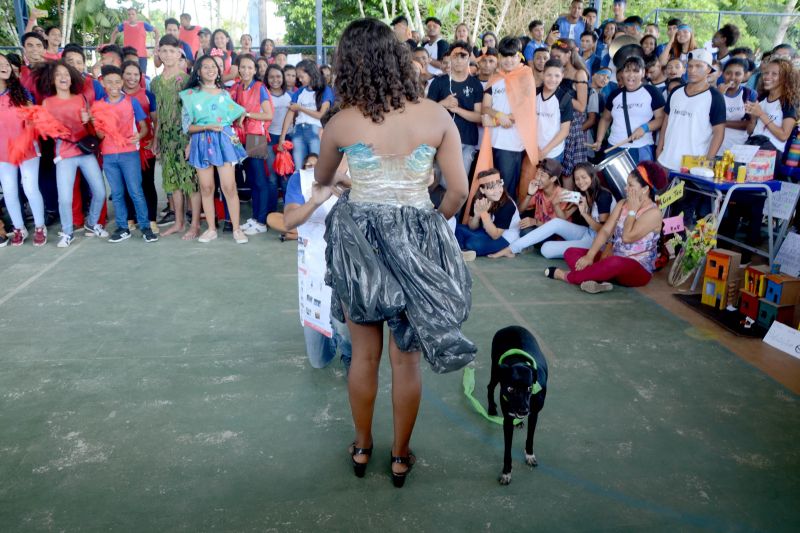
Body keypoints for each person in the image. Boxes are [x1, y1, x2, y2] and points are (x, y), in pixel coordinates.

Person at [314, 18, 474, 487]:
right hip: (417, 238)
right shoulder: (436, 116)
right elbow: (458, 192)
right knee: (407, 360)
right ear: (400, 61)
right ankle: (401, 456)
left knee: (364, 357)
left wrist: (353, 183)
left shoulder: (342, 121)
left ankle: (363, 447)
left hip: (358, 244)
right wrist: (429, 222)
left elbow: (323, 178)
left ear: (349, 65)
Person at [545, 161, 666, 293]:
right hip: (613, 259)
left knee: (614, 262)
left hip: (637, 269)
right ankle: (598, 279)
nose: (626, 188)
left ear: (645, 189)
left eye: (630, 185)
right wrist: (590, 256)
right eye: (627, 184)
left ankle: (567, 276)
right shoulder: (622, 203)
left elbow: (627, 237)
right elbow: (605, 231)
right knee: (571, 252)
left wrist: (633, 211)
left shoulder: (654, 213)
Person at [281, 153, 352, 370]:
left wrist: (348, 184)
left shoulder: (363, 176)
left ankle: (350, 351)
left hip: (349, 275)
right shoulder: (301, 178)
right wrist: (315, 201)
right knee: (318, 361)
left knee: (349, 344)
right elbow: (288, 221)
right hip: (314, 276)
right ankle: (337, 336)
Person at [36, 60, 108, 247]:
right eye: (58, 74)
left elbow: (92, 128)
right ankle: (67, 232)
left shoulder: (80, 98)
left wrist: (88, 119)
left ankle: (92, 223)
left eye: (66, 74)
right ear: (52, 79)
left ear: (71, 78)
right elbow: (44, 132)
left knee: (100, 191)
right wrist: (51, 129)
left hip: (85, 151)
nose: (63, 77)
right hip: (64, 154)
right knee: (65, 198)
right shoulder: (47, 103)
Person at [180, 54, 248, 244]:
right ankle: (211, 229)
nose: (211, 70)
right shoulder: (190, 96)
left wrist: (243, 114)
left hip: (224, 142)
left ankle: (237, 229)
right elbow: (187, 127)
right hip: (201, 142)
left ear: (218, 71)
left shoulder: (224, 94)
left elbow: (238, 111)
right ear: (198, 72)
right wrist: (206, 127)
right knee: (206, 187)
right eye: (206, 67)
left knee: (229, 186)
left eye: (214, 66)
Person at [491, 161, 614, 259]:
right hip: (587, 232)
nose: (580, 182)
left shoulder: (603, 196)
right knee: (554, 226)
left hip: (600, 241)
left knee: (546, 250)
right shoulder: (582, 194)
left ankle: (593, 253)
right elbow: (562, 219)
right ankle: (512, 249)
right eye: (577, 179)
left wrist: (585, 214)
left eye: (584, 177)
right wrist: (555, 204)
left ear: (592, 176)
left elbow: (604, 231)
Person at [92, 65, 157, 243]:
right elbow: (100, 135)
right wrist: (96, 124)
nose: (114, 85)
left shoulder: (131, 101)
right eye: (109, 82)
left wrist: (140, 135)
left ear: (122, 82)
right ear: (103, 83)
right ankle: (122, 227)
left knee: (136, 191)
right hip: (109, 155)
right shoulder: (98, 106)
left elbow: (144, 126)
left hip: (129, 154)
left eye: (117, 82)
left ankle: (145, 227)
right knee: (117, 193)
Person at [150, 35, 201, 239]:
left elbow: (194, 113)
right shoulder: (155, 83)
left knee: (191, 182)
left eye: (172, 51)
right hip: (166, 138)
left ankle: (194, 224)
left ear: (179, 53)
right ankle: (178, 222)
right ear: (159, 53)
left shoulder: (187, 81)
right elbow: (160, 113)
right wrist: (156, 139)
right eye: (164, 51)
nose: (168, 55)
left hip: (185, 137)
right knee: (173, 182)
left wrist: (191, 141)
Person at [478, 37, 538, 200]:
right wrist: (499, 115)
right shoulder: (495, 77)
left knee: (506, 189)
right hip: (492, 142)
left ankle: (507, 215)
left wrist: (495, 121)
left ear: (519, 56)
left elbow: (526, 111)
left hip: (511, 144)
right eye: (505, 56)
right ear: (499, 57)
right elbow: (485, 107)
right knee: (491, 187)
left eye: (512, 56)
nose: (509, 60)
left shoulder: (526, 76)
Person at [0, 54, 46, 246]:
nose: (4, 66)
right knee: (9, 191)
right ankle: (19, 228)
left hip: (27, 149)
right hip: (3, 152)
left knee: (30, 188)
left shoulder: (20, 91)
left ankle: (40, 227)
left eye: (5, 63)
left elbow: (34, 118)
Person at [657, 49, 725, 171]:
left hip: (693, 167)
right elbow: (666, 122)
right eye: (690, 66)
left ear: (709, 69)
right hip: (665, 160)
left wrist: (708, 162)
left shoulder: (715, 97)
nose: (692, 70)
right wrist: (659, 149)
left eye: (699, 66)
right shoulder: (676, 92)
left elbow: (719, 132)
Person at [230, 54, 274, 236]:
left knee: (259, 180)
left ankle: (262, 221)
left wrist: (247, 114)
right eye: (243, 67)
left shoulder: (259, 87)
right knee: (251, 180)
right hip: (242, 137)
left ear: (255, 70)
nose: (246, 70)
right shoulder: (238, 87)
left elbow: (268, 115)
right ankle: (255, 218)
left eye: (250, 67)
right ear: (238, 69)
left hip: (256, 136)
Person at [592, 56, 665, 164]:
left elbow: (661, 118)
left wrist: (645, 128)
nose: (631, 75)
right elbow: (605, 119)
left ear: (643, 73)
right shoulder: (615, 94)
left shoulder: (652, 92)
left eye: (636, 71)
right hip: (614, 146)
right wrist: (599, 140)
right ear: (622, 73)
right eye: (627, 71)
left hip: (641, 147)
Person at [427, 40, 484, 174]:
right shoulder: (438, 82)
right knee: (439, 183)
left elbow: (479, 117)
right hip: (441, 141)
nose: (458, 60)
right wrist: (443, 104)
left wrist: (456, 109)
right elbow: (427, 113)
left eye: (463, 56)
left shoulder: (475, 84)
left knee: (460, 184)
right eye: (455, 56)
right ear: (450, 58)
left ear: (469, 58)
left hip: (467, 141)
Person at [121, 60, 159, 233]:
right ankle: (131, 217)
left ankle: (151, 219)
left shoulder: (148, 95)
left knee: (147, 183)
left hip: (145, 147)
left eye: (136, 74)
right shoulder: (115, 95)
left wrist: (155, 141)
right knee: (127, 183)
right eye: (128, 74)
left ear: (141, 76)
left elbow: (156, 121)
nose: (132, 78)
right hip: (125, 148)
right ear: (122, 75)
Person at [277, 60, 334, 171]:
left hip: (315, 131)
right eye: (298, 77)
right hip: (298, 131)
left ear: (311, 73)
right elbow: (290, 114)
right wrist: (282, 138)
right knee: (299, 168)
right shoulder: (299, 92)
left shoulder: (325, 90)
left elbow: (320, 115)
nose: (299, 79)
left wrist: (300, 108)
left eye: (301, 76)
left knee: (317, 168)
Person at [456, 168, 521, 256]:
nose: (497, 191)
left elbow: (495, 235)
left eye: (499, 185)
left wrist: (483, 213)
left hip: (505, 237)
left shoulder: (508, 205)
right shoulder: (478, 199)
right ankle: (462, 251)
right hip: (485, 231)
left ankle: (462, 248)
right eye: (491, 187)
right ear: (482, 190)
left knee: (472, 244)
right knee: (458, 228)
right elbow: (472, 227)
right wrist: (477, 216)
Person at [746, 57, 798, 160]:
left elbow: (783, 136)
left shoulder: (788, 103)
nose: (767, 77)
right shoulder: (761, 99)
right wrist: (753, 118)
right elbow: (750, 131)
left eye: (774, 74)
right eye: (766, 73)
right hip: (752, 147)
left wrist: (761, 114)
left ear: (785, 78)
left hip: (771, 155)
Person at [550, 39, 589, 176]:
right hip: (557, 121)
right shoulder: (558, 72)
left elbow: (582, 106)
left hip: (573, 124)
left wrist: (560, 94)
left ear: (569, 54)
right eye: (553, 56)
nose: (555, 59)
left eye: (558, 56)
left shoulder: (580, 74)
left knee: (571, 169)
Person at [536, 59, 572, 162]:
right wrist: (535, 148)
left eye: (557, 76)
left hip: (553, 153)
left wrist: (545, 151)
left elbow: (564, 131)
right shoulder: (534, 93)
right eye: (549, 75)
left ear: (562, 76)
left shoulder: (565, 98)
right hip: (534, 149)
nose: (552, 79)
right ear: (543, 74)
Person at [717, 58, 755, 154]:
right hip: (714, 145)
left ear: (744, 75)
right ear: (723, 73)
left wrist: (721, 122)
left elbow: (749, 124)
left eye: (737, 74)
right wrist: (719, 95)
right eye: (728, 73)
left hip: (738, 147)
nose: (732, 77)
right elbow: (708, 117)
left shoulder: (749, 94)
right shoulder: (714, 92)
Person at [265, 64, 291, 196]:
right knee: (272, 178)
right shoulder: (264, 95)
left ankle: (288, 207)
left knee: (285, 176)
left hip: (287, 138)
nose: (275, 80)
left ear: (283, 78)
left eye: (278, 76)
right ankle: (271, 207)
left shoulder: (290, 95)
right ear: (267, 78)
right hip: (269, 138)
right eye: (271, 77)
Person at [108, 7, 160, 73]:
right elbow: (114, 32)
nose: (131, 16)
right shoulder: (124, 25)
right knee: (127, 75)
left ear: (136, 15)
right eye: (129, 14)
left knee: (142, 76)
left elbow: (156, 31)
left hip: (141, 56)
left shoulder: (143, 24)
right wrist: (111, 44)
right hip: (127, 56)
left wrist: (156, 45)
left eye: (133, 14)